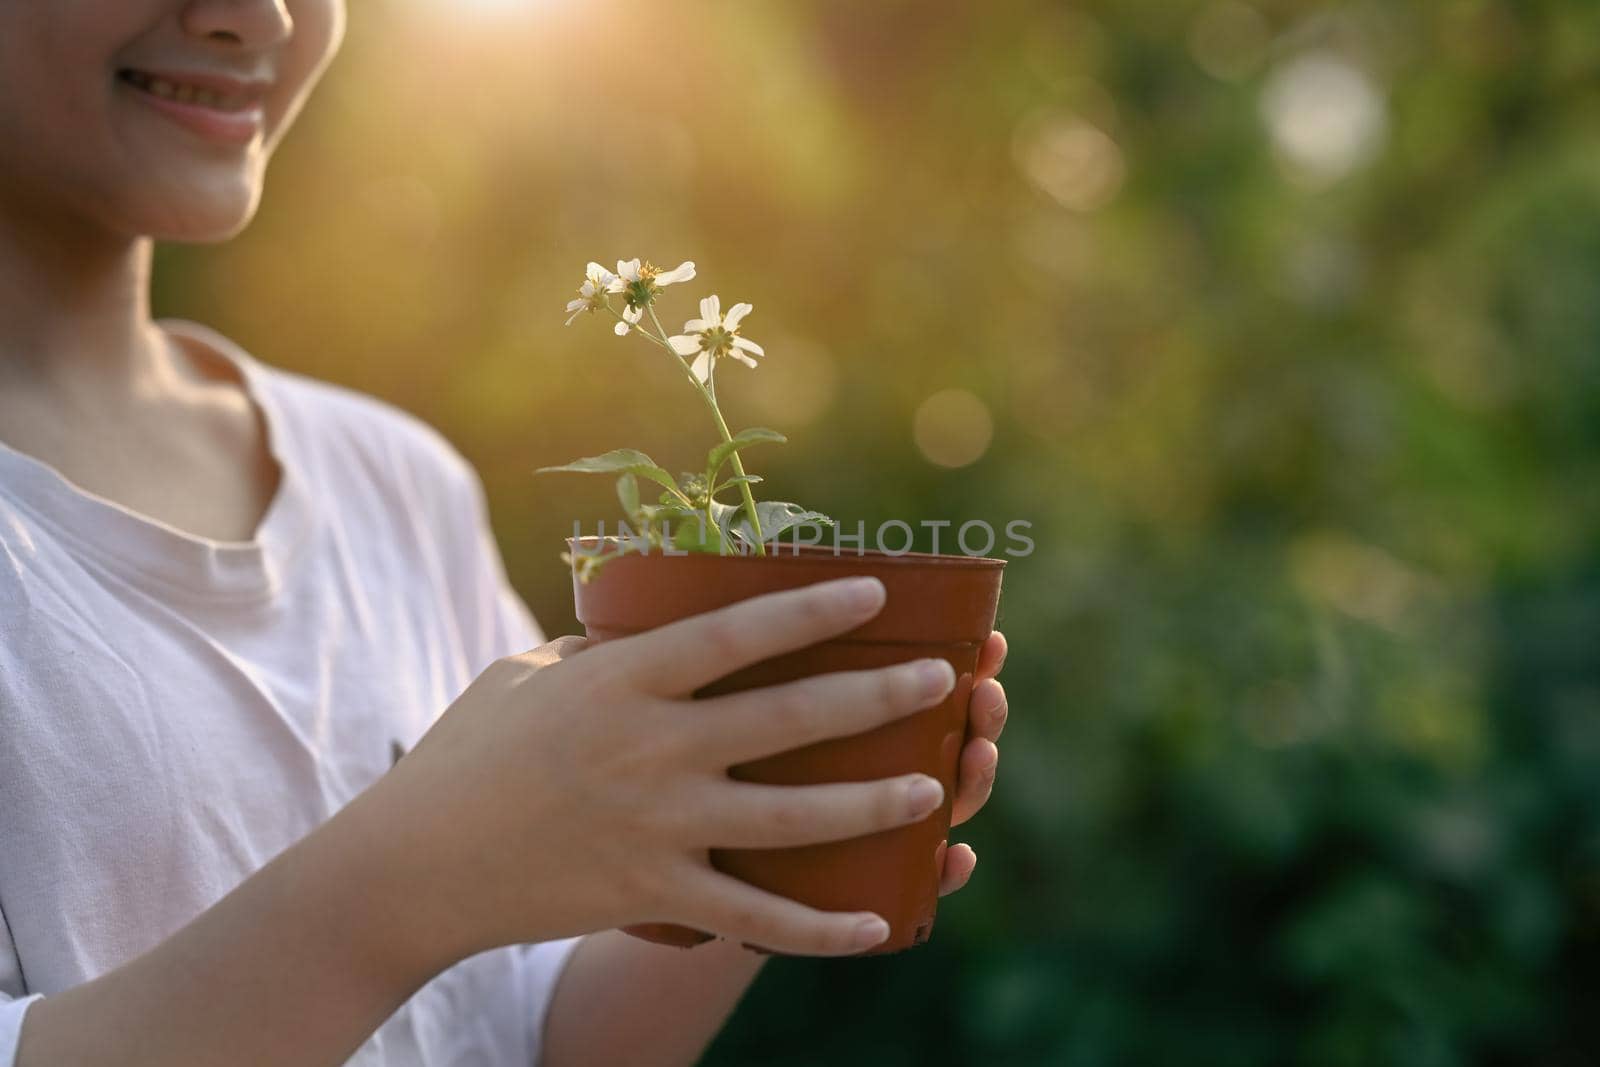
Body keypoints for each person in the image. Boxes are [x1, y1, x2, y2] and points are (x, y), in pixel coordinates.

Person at [0, 1, 1011, 1064]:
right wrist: (407, 881)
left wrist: (766, 828)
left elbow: (524, 1025)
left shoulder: (392, 478)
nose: (262, 13)